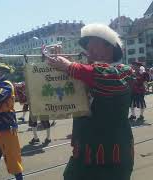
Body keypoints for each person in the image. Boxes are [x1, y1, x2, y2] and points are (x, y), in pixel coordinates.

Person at [46, 24, 134, 180]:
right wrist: (56, 65)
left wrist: (69, 66)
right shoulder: (85, 73)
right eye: (88, 49)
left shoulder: (124, 71)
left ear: (110, 48)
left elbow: (107, 77)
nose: (88, 53)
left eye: (94, 48)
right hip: (83, 153)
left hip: (111, 157)